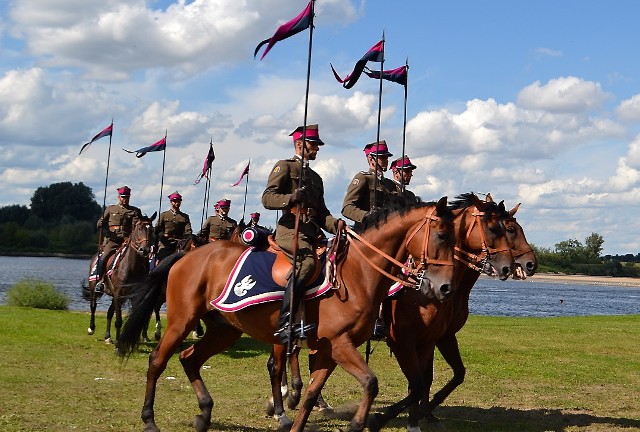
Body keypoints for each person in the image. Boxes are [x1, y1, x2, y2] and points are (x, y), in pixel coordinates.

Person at [262, 124, 340, 344]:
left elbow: (323, 214)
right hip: (290, 228)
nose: (317, 149)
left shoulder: (316, 178)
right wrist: (290, 199)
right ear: (299, 144)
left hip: (311, 231)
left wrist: (338, 226)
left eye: (317, 145)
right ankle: (286, 322)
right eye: (313, 144)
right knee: (306, 263)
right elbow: (268, 198)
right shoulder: (284, 166)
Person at [95, 185, 143, 292]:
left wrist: (130, 238)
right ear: (118, 197)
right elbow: (99, 223)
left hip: (127, 240)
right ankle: (101, 280)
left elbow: (136, 227)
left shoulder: (135, 211)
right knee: (105, 257)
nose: (125, 199)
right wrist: (101, 223)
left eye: (127, 197)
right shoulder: (111, 209)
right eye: (123, 197)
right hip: (112, 240)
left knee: (140, 257)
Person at [341, 140, 397, 225]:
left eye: (387, 157)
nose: (386, 160)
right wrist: (367, 215)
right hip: (367, 229)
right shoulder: (363, 178)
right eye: (382, 157)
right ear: (371, 159)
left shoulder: (390, 184)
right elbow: (347, 208)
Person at [154, 191, 192, 262]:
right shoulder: (164, 215)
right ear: (171, 202)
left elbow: (188, 231)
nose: (177, 203)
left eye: (178, 201)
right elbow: (157, 229)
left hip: (179, 242)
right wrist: (163, 236)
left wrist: (185, 239)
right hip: (166, 242)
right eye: (175, 201)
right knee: (162, 259)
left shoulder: (184, 217)